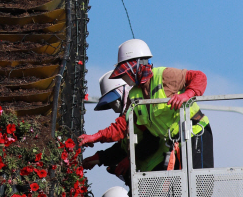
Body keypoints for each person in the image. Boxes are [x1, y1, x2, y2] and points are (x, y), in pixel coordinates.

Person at [79, 39, 213, 170]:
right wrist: (94, 137)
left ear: (136, 67)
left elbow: (199, 77)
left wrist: (187, 95)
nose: (124, 77)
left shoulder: (164, 75)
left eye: (125, 72)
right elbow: (123, 125)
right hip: (175, 144)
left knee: (199, 185)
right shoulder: (134, 95)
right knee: (184, 189)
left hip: (195, 133)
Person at [83, 69, 168, 180]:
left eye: (114, 101)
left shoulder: (139, 110)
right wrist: (100, 158)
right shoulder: (129, 118)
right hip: (148, 172)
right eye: (111, 103)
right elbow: (122, 149)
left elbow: (152, 141)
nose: (115, 106)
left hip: (161, 167)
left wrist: (131, 159)